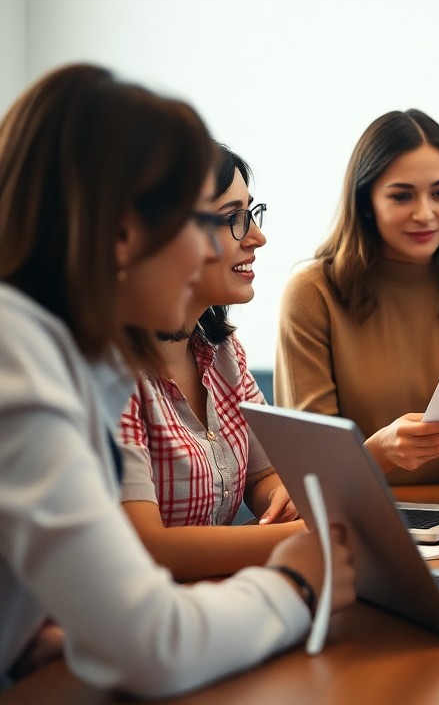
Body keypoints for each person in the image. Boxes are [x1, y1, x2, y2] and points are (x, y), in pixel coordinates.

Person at [0, 64, 355, 696]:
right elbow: (155, 646)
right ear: (120, 233)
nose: (211, 252)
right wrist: (295, 581)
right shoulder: (17, 365)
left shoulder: (69, 358)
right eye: (202, 222)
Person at [277, 109, 439, 487]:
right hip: (371, 520)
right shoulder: (313, 293)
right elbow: (315, 467)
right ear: (366, 202)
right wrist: (379, 452)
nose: (426, 214)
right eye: (401, 196)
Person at [118, 147, 305, 581]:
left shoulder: (221, 351)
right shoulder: (111, 370)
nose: (256, 236)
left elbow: (266, 473)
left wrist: (284, 501)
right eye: (233, 217)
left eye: (251, 213)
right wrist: (310, 535)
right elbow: (147, 549)